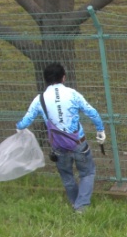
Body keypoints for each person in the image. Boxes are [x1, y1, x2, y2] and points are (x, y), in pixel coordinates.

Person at [17, 62, 106, 213]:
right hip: (78, 142)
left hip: (58, 146)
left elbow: (24, 122)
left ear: (45, 80)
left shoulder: (40, 99)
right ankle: (81, 206)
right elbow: (92, 112)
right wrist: (100, 130)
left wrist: (19, 129)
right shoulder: (73, 94)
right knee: (87, 173)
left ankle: (75, 202)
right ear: (63, 78)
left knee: (67, 176)